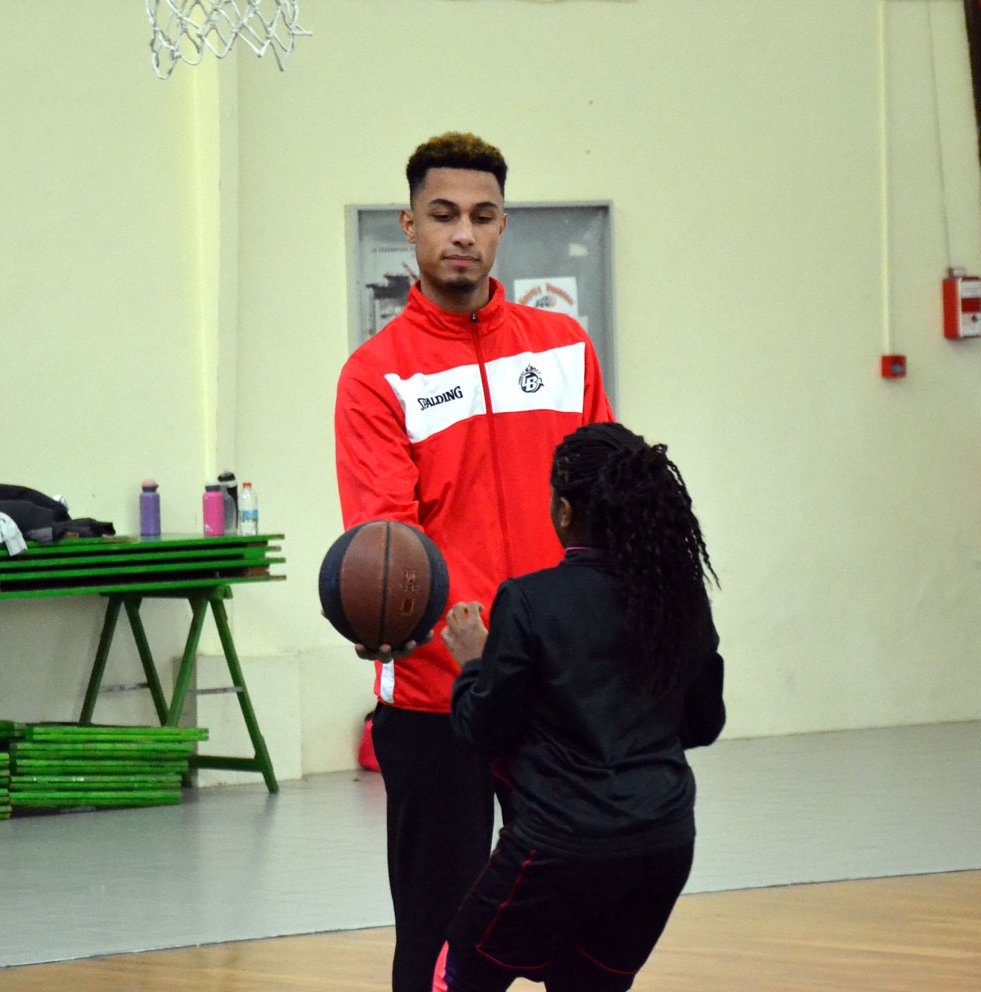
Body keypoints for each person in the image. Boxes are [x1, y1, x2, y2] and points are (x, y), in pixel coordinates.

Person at [333, 131, 614, 992]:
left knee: (582, 922)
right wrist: (463, 657)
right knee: (441, 934)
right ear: (409, 226)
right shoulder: (376, 378)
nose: (464, 232)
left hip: (555, 694)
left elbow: (608, 509)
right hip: (436, 702)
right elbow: (389, 545)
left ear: (503, 228)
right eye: (445, 215)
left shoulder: (564, 348)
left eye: (483, 216)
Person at [435, 422, 726, 992]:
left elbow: (483, 730)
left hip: (556, 847)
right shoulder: (681, 596)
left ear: (565, 512)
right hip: (663, 843)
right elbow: (704, 723)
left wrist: (474, 662)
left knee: (458, 975)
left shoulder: (527, 600)